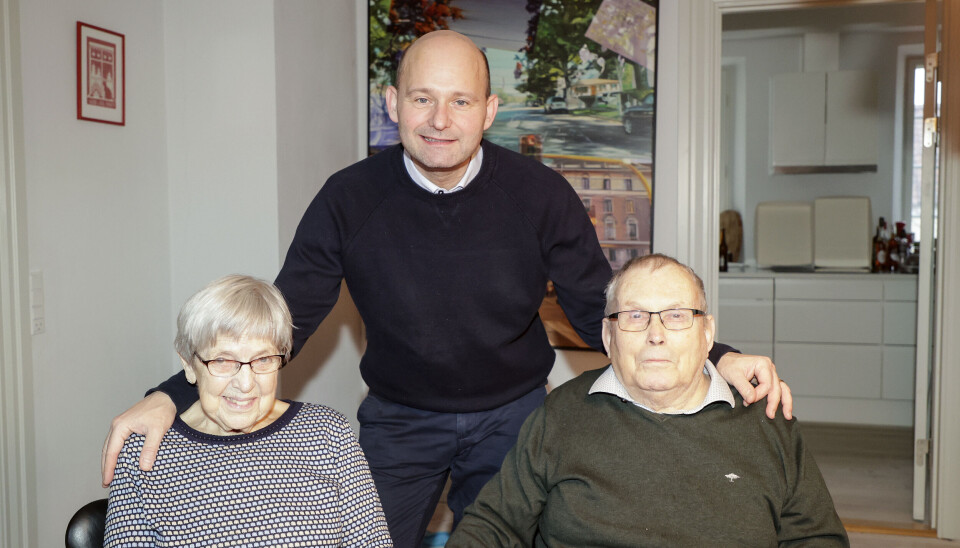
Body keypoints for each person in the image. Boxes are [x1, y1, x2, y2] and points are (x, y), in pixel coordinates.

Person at [100, 30, 791, 548]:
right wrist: (174, 393)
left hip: (514, 416)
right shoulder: (348, 198)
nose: (440, 119)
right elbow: (284, 318)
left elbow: (599, 309)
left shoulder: (540, 195)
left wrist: (716, 356)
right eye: (422, 99)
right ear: (393, 104)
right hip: (399, 418)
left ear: (489, 111)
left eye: (460, 101)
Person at [447, 254, 847, 547]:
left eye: (676, 315)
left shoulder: (765, 418)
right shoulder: (561, 413)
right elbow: (493, 526)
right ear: (608, 337)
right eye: (635, 316)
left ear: (707, 335)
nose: (656, 334)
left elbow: (816, 538)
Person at [103, 275, 392, 547]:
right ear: (189, 365)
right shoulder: (144, 452)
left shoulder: (328, 434)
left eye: (263, 359)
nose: (245, 384)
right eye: (222, 361)